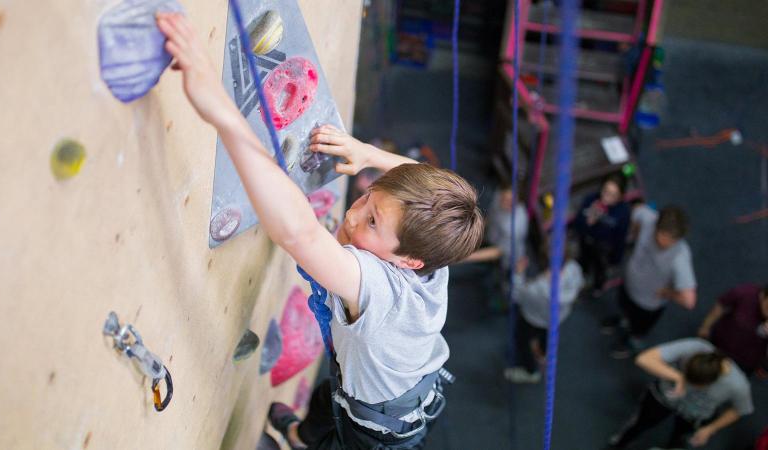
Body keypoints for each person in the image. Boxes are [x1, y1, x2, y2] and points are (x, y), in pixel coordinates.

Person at [155, 13, 484, 450]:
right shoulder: (432, 244)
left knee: (339, 427)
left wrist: (222, 113)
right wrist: (365, 154)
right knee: (325, 397)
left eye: (371, 223)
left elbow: (300, 235)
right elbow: (425, 177)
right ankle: (298, 435)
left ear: (408, 261)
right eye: (369, 197)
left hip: (378, 436)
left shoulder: (380, 291)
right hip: (408, 381)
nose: (353, 214)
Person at [607, 338, 753, 449]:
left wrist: (710, 429)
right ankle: (619, 444)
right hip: (664, 397)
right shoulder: (695, 347)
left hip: (695, 413)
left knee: (680, 440)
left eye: (694, 384)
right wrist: (678, 377)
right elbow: (643, 359)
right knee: (640, 423)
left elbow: (739, 410)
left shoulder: (739, 385)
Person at [606, 205, 697, 358]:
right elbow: (637, 211)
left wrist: (668, 293)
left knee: (638, 328)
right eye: (663, 235)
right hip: (629, 283)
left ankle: (632, 343)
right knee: (624, 307)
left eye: (672, 239)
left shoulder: (680, 257)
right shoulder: (648, 218)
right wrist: (634, 233)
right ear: (656, 225)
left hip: (648, 304)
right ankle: (623, 321)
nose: (665, 242)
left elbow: (689, 301)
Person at [503, 245, 583, 383]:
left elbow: (516, 295)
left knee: (521, 340)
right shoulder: (574, 269)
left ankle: (530, 372)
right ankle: (542, 353)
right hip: (556, 318)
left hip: (532, 318)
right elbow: (579, 284)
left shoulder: (539, 288)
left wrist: (518, 273)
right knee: (546, 335)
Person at [462, 181, 529, 310]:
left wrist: (463, 256)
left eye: (510, 202)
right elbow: (491, 216)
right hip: (493, 239)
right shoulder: (499, 196)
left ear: (519, 202)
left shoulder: (515, 226)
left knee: (506, 282)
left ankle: (505, 304)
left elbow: (498, 252)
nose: (504, 203)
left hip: (508, 257)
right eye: (504, 198)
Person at [574, 173, 630, 295]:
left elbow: (621, 237)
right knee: (583, 262)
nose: (606, 197)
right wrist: (588, 221)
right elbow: (577, 225)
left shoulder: (623, 212)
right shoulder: (591, 200)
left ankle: (598, 287)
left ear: (620, 197)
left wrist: (616, 258)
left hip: (604, 249)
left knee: (601, 270)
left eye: (612, 195)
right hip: (587, 241)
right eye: (605, 191)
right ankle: (583, 276)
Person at [698, 283, 768, 375]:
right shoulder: (745, 293)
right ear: (764, 295)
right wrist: (705, 326)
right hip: (721, 344)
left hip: (747, 360)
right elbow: (720, 307)